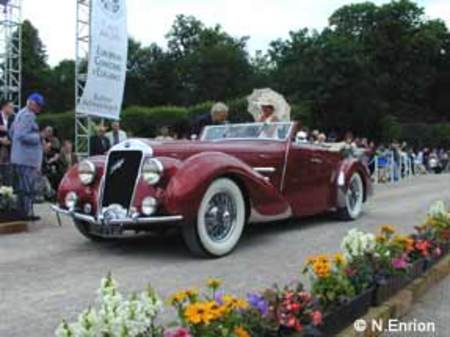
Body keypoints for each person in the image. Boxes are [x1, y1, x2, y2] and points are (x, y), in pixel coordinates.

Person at [9, 93, 45, 217]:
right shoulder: (28, 116)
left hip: (20, 157)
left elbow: (12, 132)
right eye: (38, 105)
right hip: (26, 159)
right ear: (31, 103)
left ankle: (22, 212)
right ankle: (26, 213)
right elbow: (21, 135)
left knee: (22, 188)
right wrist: (39, 136)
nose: (40, 108)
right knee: (27, 188)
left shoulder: (19, 114)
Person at [0, 100, 15, 185]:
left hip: (9, 149)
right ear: (4, 107)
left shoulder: (13, 119)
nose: (12, 109)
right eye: (11, 107)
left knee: (7, 172)